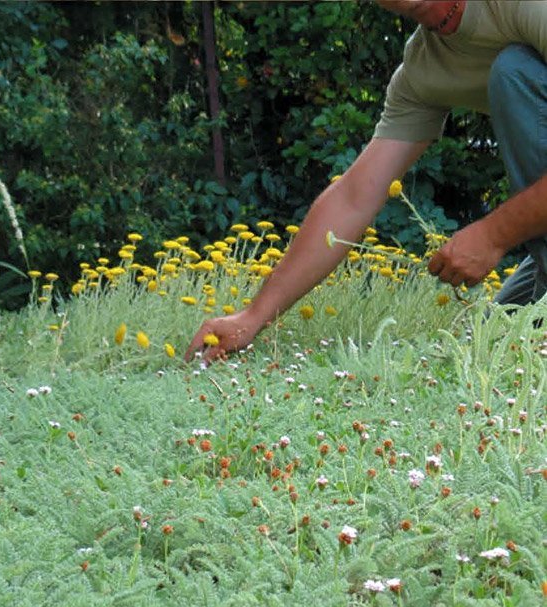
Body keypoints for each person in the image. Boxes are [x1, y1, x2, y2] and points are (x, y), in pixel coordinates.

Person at [186, 0, 547, 363]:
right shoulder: (424, 70)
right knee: (495, 350)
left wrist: (494, 234)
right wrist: (252, 317)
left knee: (513, 71)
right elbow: (352, 199)